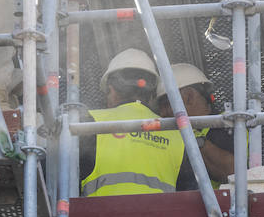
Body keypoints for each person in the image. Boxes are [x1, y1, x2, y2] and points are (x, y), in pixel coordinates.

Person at [78, 48, 187, 198]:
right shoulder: (177, 131)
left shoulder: (91, 122)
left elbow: (63, 176)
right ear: (151, 94)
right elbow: (188, 189)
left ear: (112, 90)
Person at [157, 62, 235, 185]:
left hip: (227, 203)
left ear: (189, 96)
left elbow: (232, 173)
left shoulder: (230, 124)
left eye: (166, 104)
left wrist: (192, 137)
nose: (162, 113)